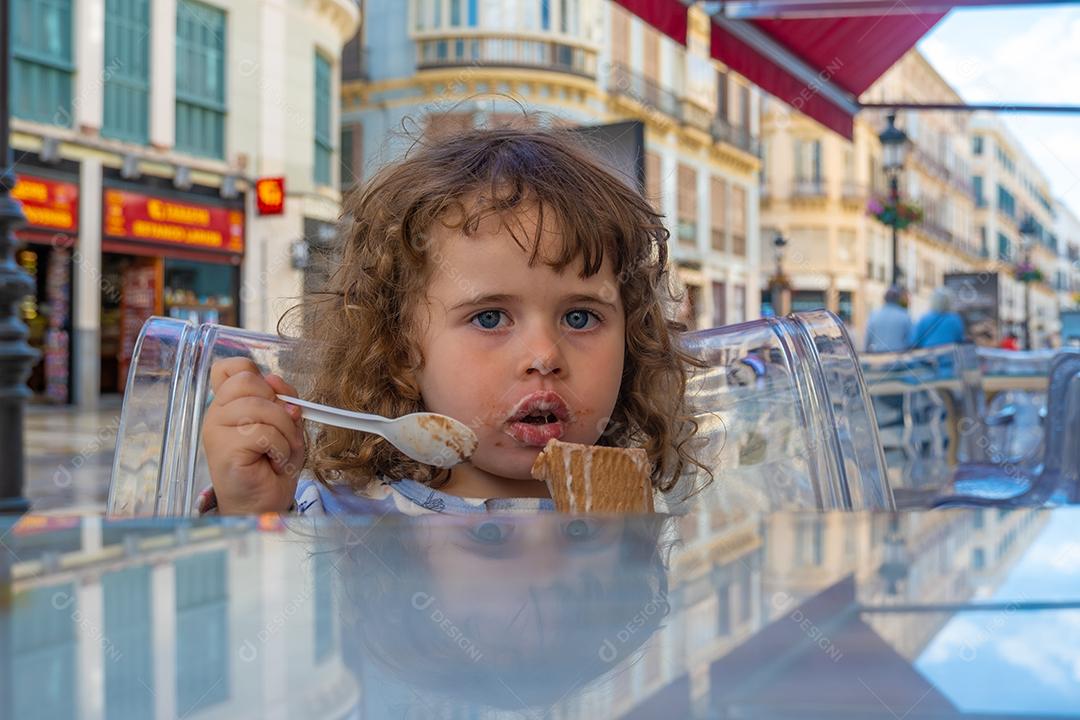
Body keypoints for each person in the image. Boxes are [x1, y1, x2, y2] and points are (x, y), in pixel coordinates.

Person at [199, 126, 708, 515]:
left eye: (580, 316)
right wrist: (252, 516)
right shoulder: (338, 518)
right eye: (490, 317)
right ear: (399, 348)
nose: (544, 356)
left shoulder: (651, 512)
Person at [864, 286, 912, 353]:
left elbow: (868, 340)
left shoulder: (874, 315)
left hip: (878, 358)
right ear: (898, 299)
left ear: (884, 299)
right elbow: (910, 341)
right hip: (898, 358)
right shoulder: (905, 316)